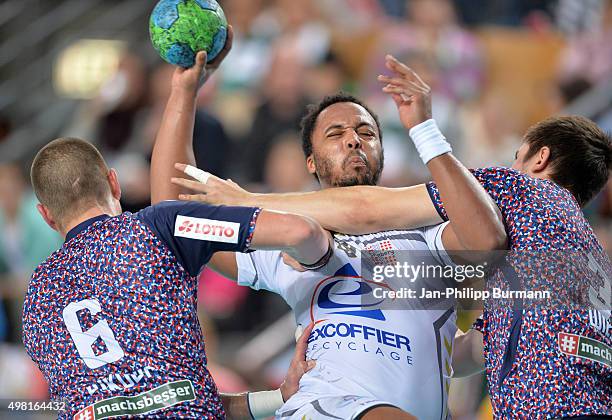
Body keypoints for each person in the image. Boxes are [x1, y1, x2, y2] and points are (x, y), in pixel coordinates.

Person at [185, 54, 612, 419]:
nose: (509, 164)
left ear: (540, 158)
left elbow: (366, 210)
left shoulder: (514, 188)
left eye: (516, 156)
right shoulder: (593, 259)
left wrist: (246, 199)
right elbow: (478, 350)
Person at [151, 45, 507, 419]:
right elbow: (173, 215)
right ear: (310, 161)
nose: (353, 140)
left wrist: (424, 129)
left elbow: (486, 240)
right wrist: (184, 91)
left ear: (382, 153)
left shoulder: (428, 233)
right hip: (320, 406)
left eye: (366, 132)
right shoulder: (283, 236)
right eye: (335, 133)